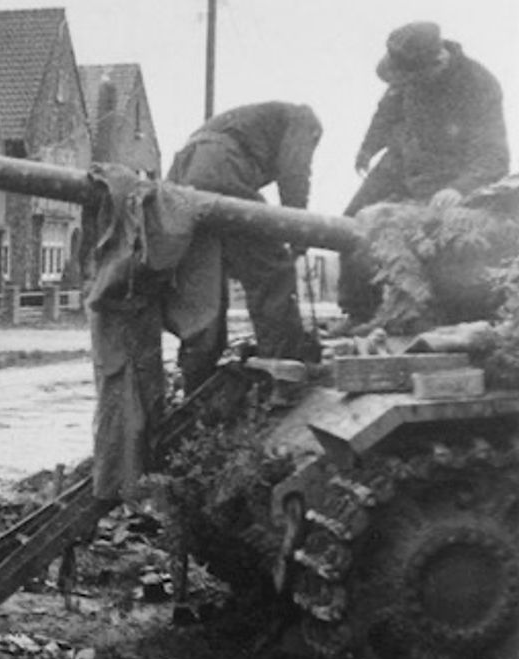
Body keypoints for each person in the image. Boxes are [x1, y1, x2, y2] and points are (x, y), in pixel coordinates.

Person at [338, 20, 510, 328]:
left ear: (437, 61)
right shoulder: (405, 68)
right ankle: (357, 313)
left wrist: (460, 187)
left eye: (411, 78)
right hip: (402, 159)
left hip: (448, 172)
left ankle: (427, 312)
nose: (404, 83)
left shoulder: (478, 84)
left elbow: (493, 153)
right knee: (350, 224)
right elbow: (387, 110)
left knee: (434, 238)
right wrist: (368, 147)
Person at [165, 101, 323, 392]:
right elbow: (294, 171)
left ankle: (197, 380)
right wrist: (298, 232)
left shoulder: (254, 123)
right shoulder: (303, 120)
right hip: (219, 167)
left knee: (207, 282)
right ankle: (283, 371)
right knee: (272, 267)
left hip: (182, 171)